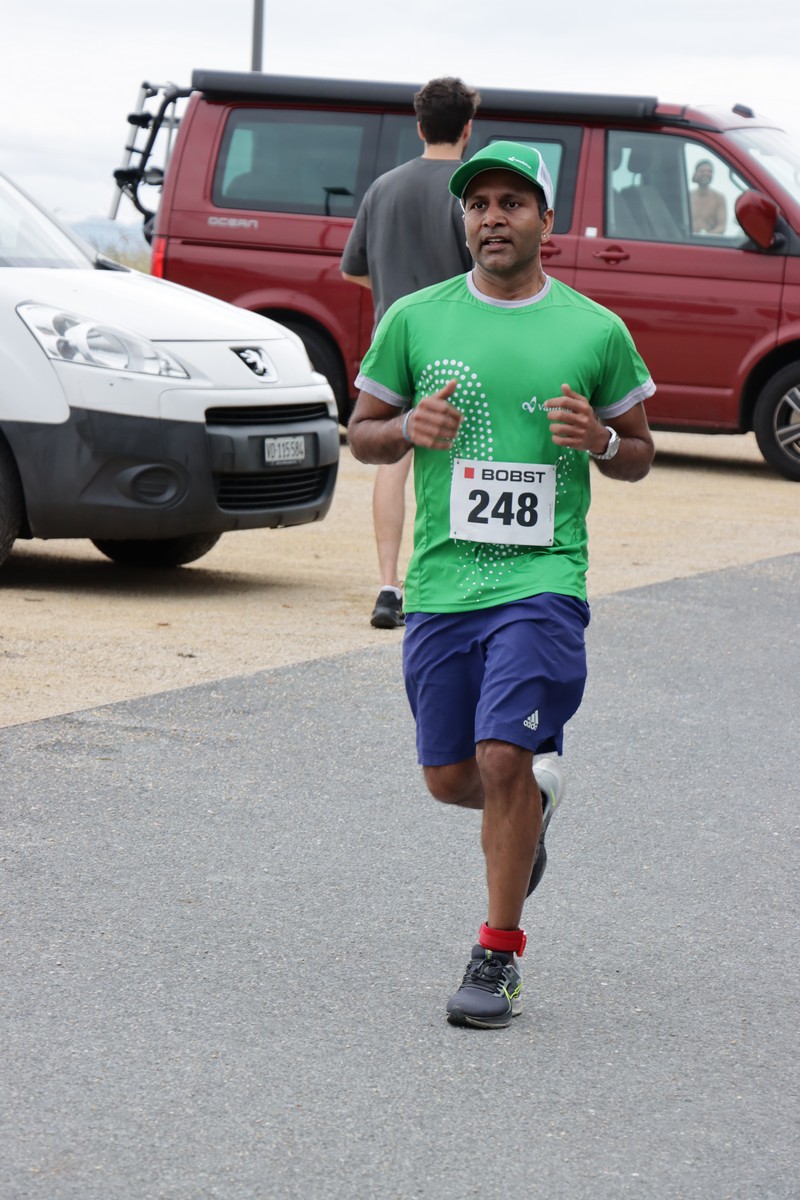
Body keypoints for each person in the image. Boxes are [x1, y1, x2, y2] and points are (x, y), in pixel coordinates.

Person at [347, 141, 655, 1029]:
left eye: (511, 204)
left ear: (545, 221)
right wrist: (406, 428)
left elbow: (640, 452)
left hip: (542, 579)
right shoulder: (416, 318)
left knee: (502, 755)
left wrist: (600, 440)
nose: (491, 219)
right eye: (477, 204)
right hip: (444, 582)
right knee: (451, 778)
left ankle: (497, 955)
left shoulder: (594, 330)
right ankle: (533, 804)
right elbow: (361, 432)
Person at [341, 76, 480, 629]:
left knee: (393, 458)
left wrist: (394, 298)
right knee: (458, 461)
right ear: (467, 128)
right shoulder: (468, 192)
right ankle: (451, 581)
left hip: (394, 342)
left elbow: (353, 270)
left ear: (420, 127)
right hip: (461, 345)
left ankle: (388, 586)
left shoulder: (383, 187)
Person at [691, 159, 726, 234]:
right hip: (687, 240)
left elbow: (721, 227)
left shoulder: (719, 198)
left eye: (709, 171)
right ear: (695, 174)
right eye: (702, 171)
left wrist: (707, 236)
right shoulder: (687, 197)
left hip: (709, 239)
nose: (706, 173)